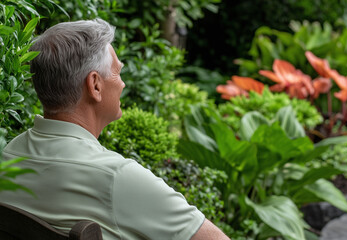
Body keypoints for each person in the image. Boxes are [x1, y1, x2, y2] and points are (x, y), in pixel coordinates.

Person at [0, 19, 229, 240]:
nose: (122, 83)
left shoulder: (9, 155)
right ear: (95, 85)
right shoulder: (116, 178)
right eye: (117, 72)